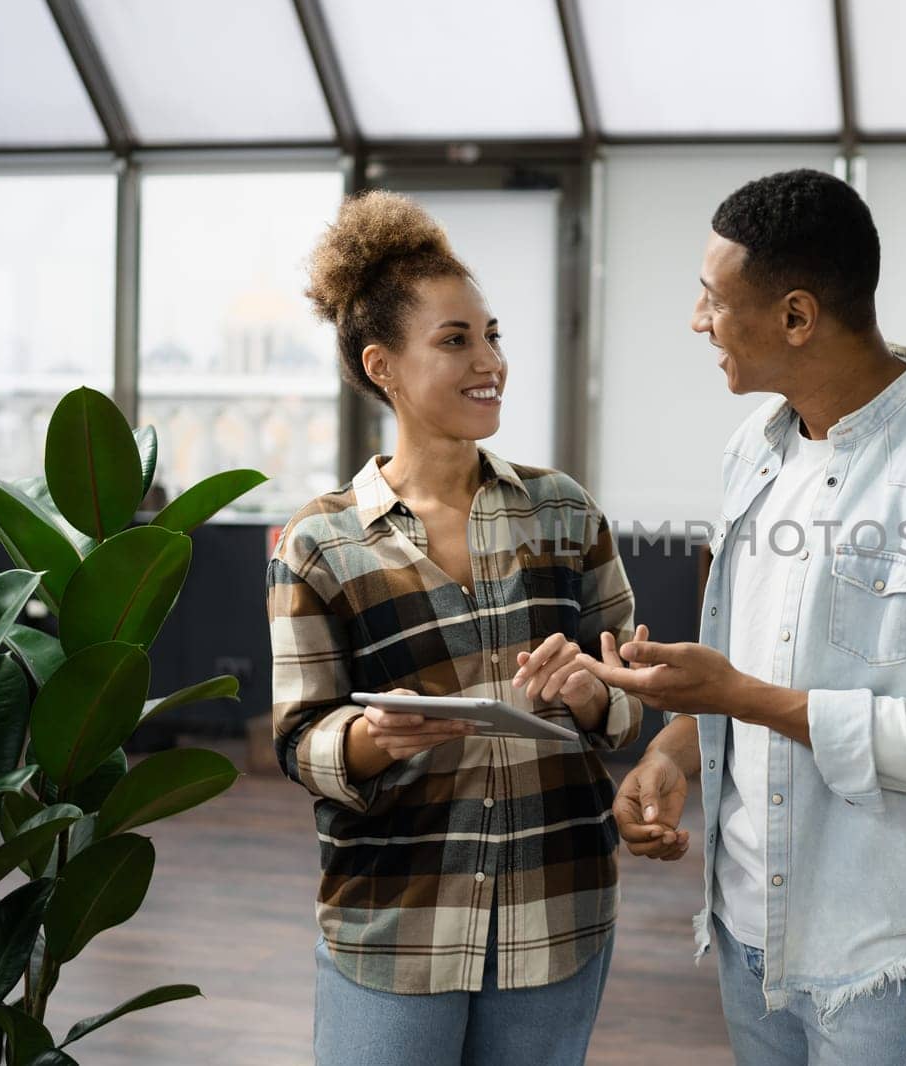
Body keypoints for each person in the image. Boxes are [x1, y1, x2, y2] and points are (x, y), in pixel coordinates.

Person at [579, 170, 906, 1065]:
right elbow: (741, 658)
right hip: (746, 919)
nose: (695, 320)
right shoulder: (751, 451)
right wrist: (676, 747)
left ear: (797, 317)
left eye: (712, 299)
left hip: (879, 946)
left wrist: (744, 698)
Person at [266, 191, 643, 1066]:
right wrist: (371, 736)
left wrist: (597, 695)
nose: (492, 361)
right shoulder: (320, 544)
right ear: (382, 366)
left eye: (493, 334)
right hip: (395, 919)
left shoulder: (564, 511)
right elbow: (298, 740)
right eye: (456, 340)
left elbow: (634, 690)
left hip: (558, 910)